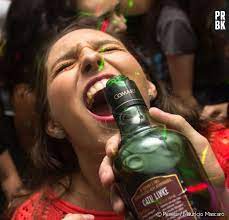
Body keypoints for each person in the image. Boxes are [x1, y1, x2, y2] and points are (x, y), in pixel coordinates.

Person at [9, 21, 228, 219]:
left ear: (149, 86)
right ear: (53, 123)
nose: (90, 57)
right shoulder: (36, 216)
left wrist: (220, 201)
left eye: (109, 49)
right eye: (64, 65)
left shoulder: (219, 150)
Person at [141, 0, 229, 121]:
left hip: (219, 91)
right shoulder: (176, 23)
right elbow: (184, 96)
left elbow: (221, 35)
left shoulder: (218, 10)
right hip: (203, 102)